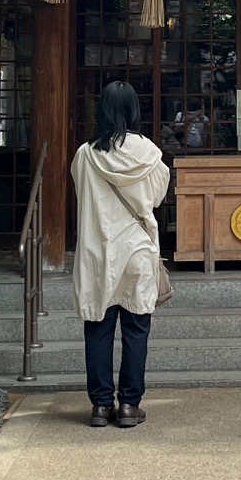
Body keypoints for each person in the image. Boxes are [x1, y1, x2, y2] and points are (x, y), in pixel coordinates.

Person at [72, 80, 171, 428]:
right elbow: (157, 197)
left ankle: (100, 405)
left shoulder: (85, 154)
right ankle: (129, 404)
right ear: (133, 110)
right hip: (137, 248)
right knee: (136, 327)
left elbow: (80, 190)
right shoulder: (150, 154)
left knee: (98, 326)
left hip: (98, 249)